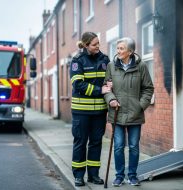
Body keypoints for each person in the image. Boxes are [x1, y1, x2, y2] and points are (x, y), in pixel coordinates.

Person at [103, 37, 154, 186]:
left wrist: (141, 105)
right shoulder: (111, 66)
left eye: (121, 48)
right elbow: (106, 88)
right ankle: (119, 175)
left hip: (135, 113)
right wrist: (111, 99)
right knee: (118, 146)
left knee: (133, 147)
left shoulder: (141, 67)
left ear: (130, 51)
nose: (118, 51)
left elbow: (148, 88)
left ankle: (132, 175)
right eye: (117, 48)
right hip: (117, 113)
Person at [70, 32, 111, 187]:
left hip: (100, 111)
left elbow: (109, 80)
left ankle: (93, 175)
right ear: (86, 45)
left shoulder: (105, 59)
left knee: (96, 142)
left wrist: (110, 85)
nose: (98, 46)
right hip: (81, 112)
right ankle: (78, 175)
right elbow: (78, 84)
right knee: (80, 142)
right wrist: (100, 90)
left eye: (98, 43)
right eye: (94, 44)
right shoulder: (77, 61)